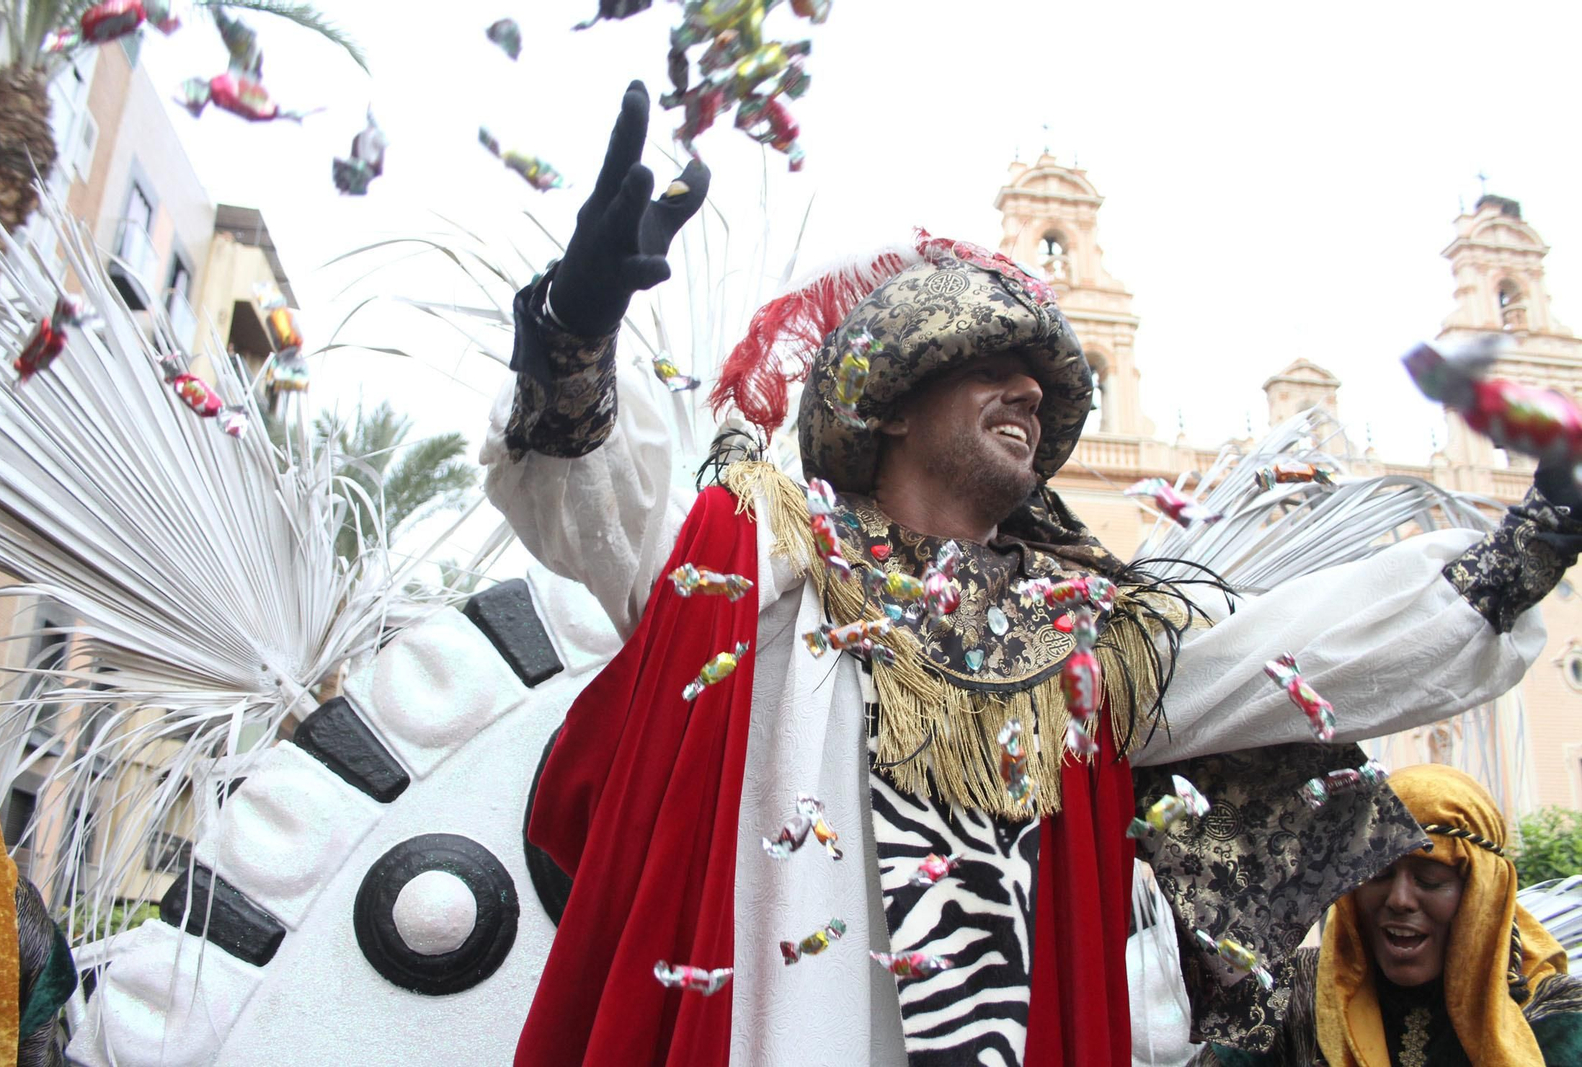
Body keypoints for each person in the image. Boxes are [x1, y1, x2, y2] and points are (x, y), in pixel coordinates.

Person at [481, 81, 1582, 1067]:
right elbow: (596, 514)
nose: (1028, 395)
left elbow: (1291, 652)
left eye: (1043, 386)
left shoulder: (1083, 643)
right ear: (891, 402)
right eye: (989, 369)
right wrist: (572, 336)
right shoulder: (763, 557)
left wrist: (1521, 549)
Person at [1196, 764, 1582, 1066]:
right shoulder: (1289, 994)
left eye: (1429, 880)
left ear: (1482, 898)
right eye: (1378, 875)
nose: (1400, 899)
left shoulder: (1551, 1017)